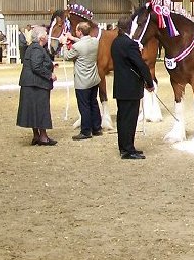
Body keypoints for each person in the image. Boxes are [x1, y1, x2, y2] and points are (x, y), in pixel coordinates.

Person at [110, 16, 155, 159]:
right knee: (130, 119)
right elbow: (141, 65)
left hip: (120, 86)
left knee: (122, 118)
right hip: (131, 87)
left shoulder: (116, 42)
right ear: (130, 27)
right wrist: (149, 82)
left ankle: (124, 146)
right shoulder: (130, 44)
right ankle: (128, 150)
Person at [61, 21, 103, 139]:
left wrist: (64, 44)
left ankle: (85, 131)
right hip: (94, 78)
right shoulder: (95, 41)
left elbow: (66, 56)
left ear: (80, 32)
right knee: (94, 103)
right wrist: (72, 38)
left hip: (82, 81)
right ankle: (97, 128)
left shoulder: (77, 47)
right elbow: (83, 43)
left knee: (84, 106)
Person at [16, 26, 58, 146]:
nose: (47, 35)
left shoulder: (33, 47)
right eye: (46, 33)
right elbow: (36, 66)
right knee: (41, 109)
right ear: (41, 37)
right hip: (36, 84)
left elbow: (36, 63)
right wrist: (50, 75)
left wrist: (50, 64)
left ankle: (36, 136)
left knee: (33, 110)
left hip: (30, 83)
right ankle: (43, 137)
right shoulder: (37, 49)